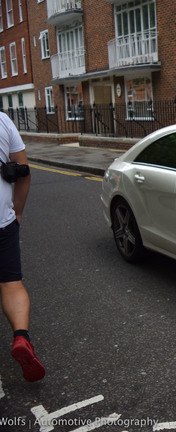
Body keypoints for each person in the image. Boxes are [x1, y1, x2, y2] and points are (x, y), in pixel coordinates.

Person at [0, 111, 45, 382]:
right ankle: (21, 337)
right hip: (2, 223)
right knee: (11, 283)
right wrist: (16, 213)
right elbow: (23, 172)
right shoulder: (3, 121)